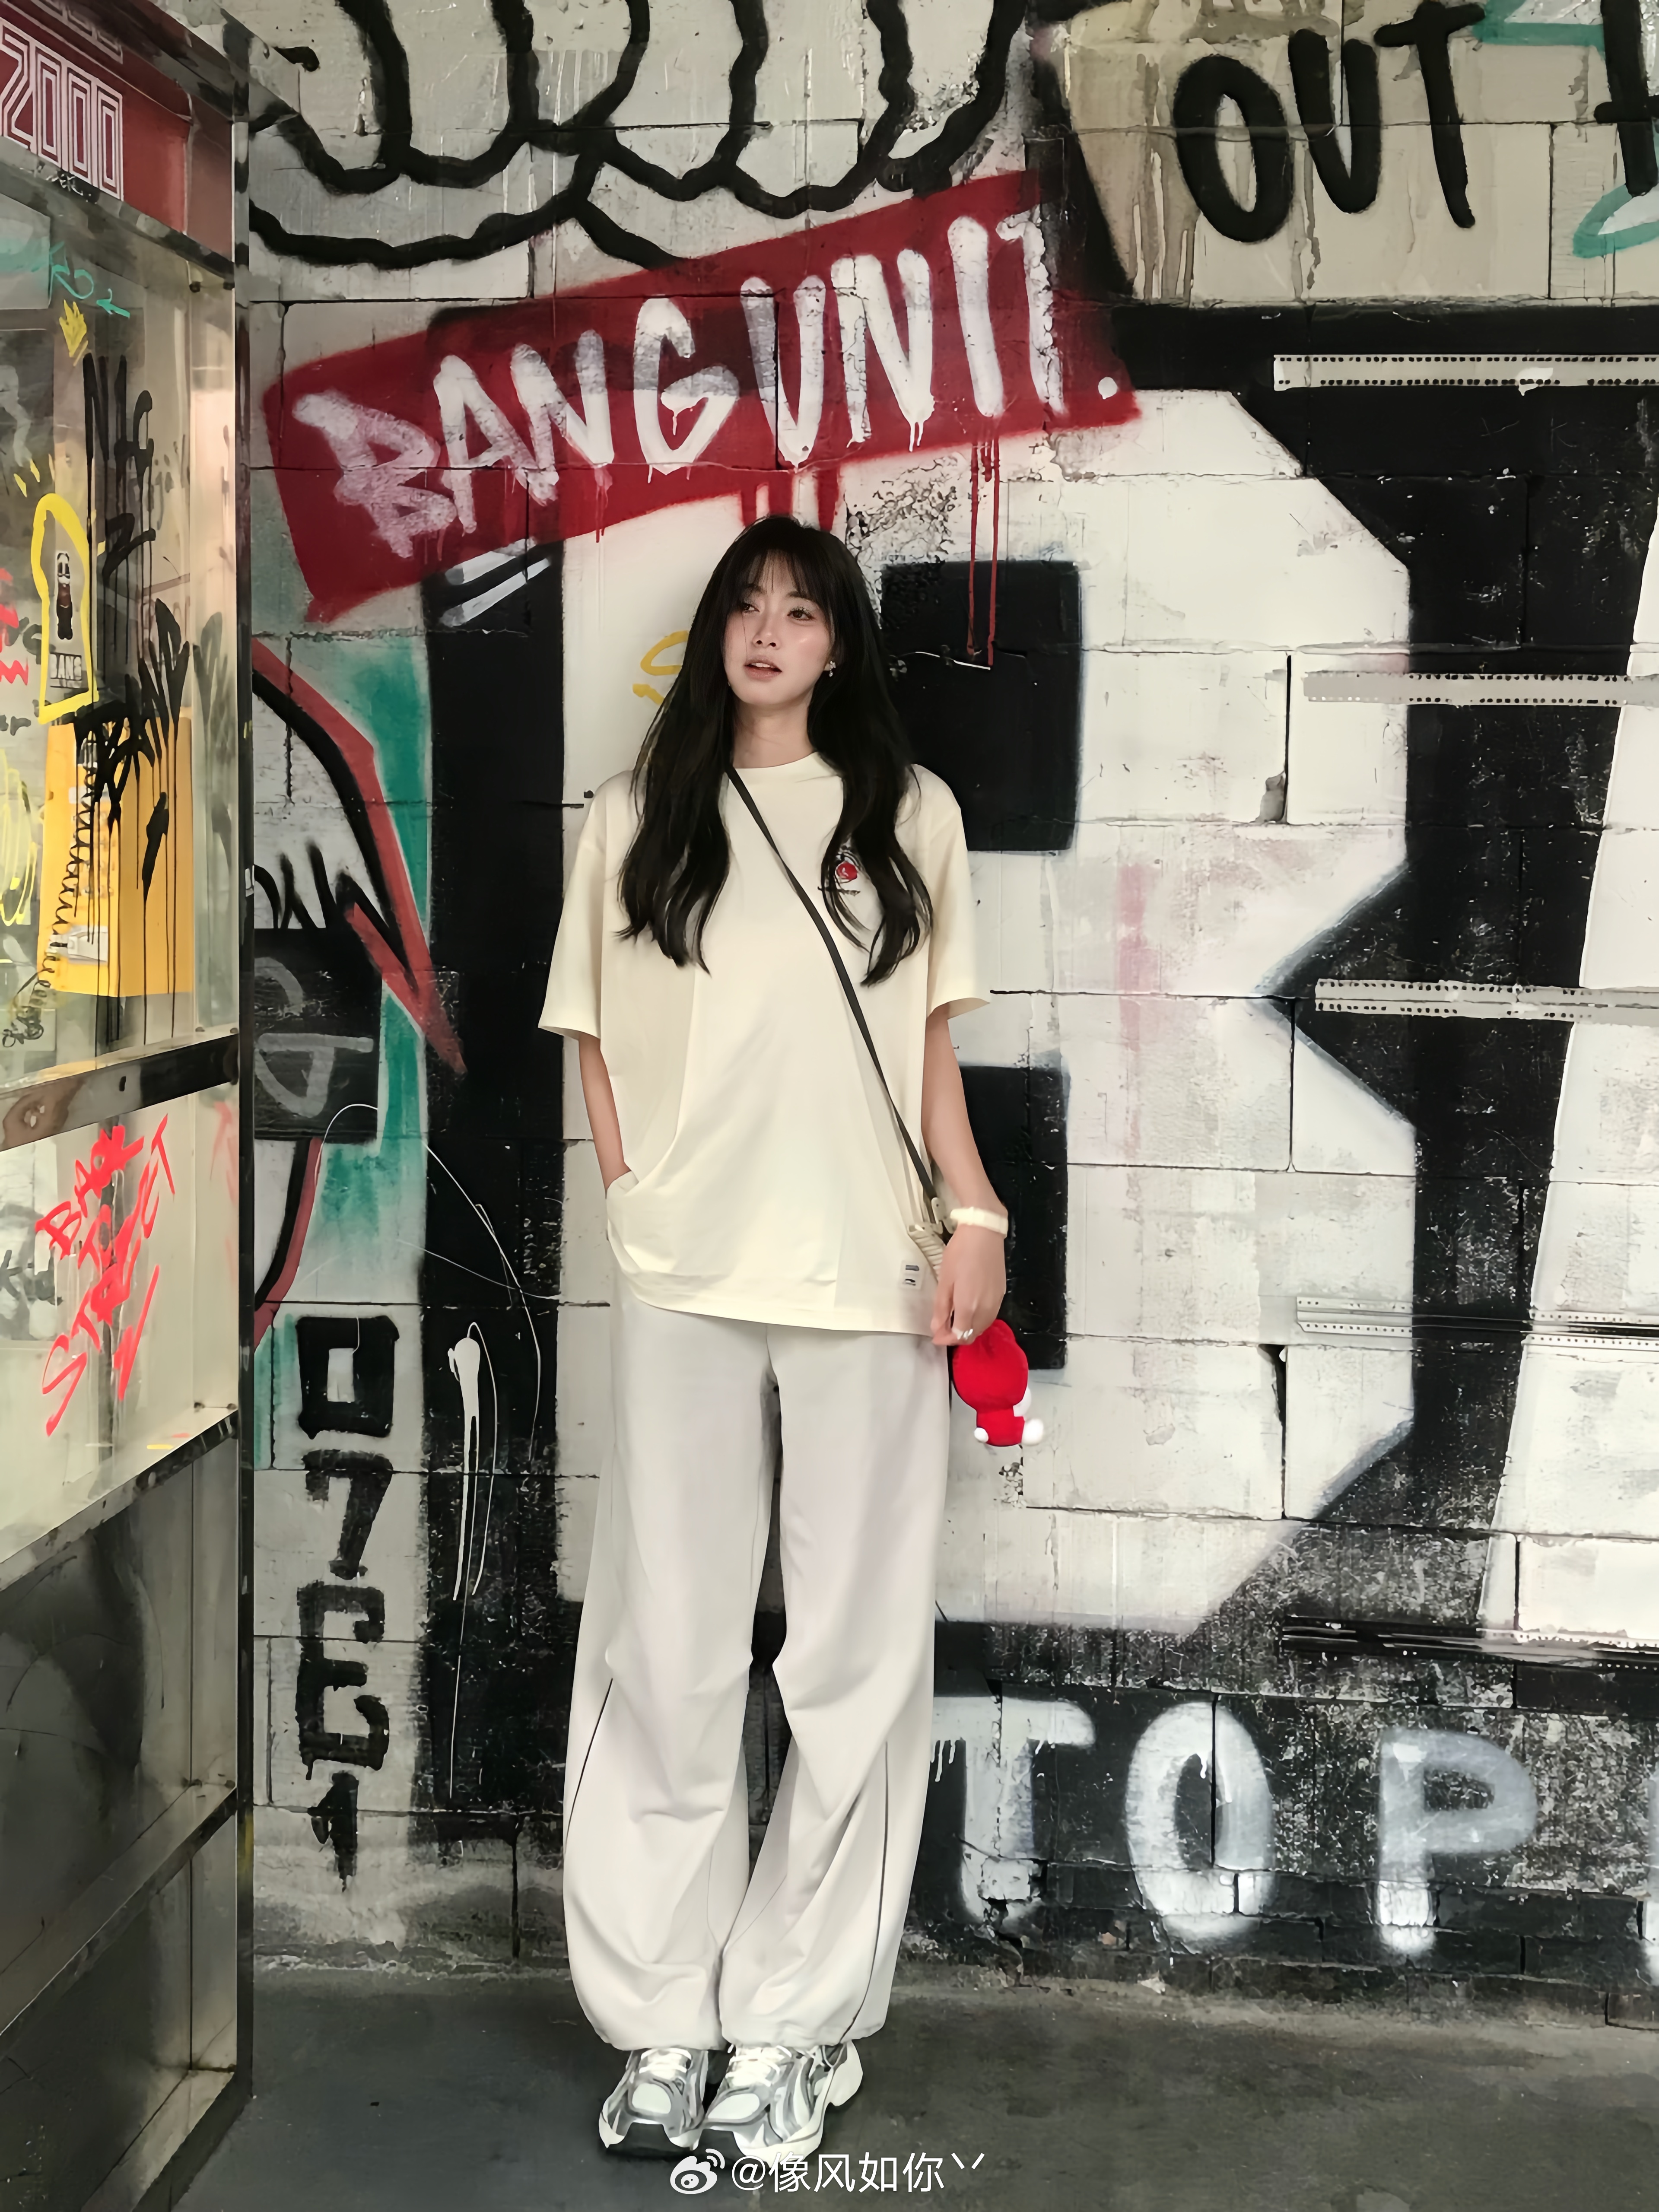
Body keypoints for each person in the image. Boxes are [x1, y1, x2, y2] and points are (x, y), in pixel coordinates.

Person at [539, 513, 1010, 2171]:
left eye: (801, 612)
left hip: (869, 1274)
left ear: (838, 642)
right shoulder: (635, 816)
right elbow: (592, 1037)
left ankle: (794, 2022)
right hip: (686, 1272)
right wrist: (633, 1194)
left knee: (848, 1657)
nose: (767, 632)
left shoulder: (910, 814)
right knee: (666, 1643)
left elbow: (930, 1048)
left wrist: (975, 1216)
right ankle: (662, 2017)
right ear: (716, 633)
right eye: (745, 606)